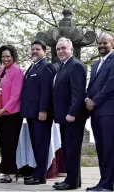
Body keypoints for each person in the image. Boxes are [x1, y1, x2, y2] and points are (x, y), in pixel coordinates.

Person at [52, 37, 87, 190]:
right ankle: (72, 179)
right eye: (58, 49)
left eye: (63, 48)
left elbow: (78, 92)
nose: (60, 51)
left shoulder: (76, 66)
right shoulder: (62, 66)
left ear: (71, 49)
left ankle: (72, 182)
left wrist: (72, 112)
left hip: (73, 117)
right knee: (67, 149)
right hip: (64, 117)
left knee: (72, 150)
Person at [21, 40, 56, 185]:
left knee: (42, 145)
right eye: (32, 49)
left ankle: (41, 176)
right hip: (31, 113)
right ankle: (37, 172)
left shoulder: (46, 66)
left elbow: (46, 91)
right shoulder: (32, 67)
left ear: (44, 51)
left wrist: (43, 110)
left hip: (40, 114)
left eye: (37, 49)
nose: (34, 51)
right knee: (36, 144)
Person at [85, 34, 114, 191]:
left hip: (109, 112)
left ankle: (108, 184)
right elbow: (91, 86)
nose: (102, 45)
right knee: (101, 149)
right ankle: (103, 181)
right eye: (100, 43)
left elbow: (111, 85)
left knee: (109, 149)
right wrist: (87, 99)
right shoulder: (96, 64)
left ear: (112, 44)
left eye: (105, 43)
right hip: (96, 113)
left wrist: (94, 101)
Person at [0, 45, 24, 183]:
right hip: (1, 114)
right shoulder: (1, 70)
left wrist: (3, 110)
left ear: (13, 57)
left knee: (11, 144)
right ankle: (6, 169)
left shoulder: (17, 71)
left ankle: (12, 173)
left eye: (8, 56)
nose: (5, 59)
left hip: (12, 113)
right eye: (3, 56)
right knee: (4, 144)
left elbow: (15, 96)